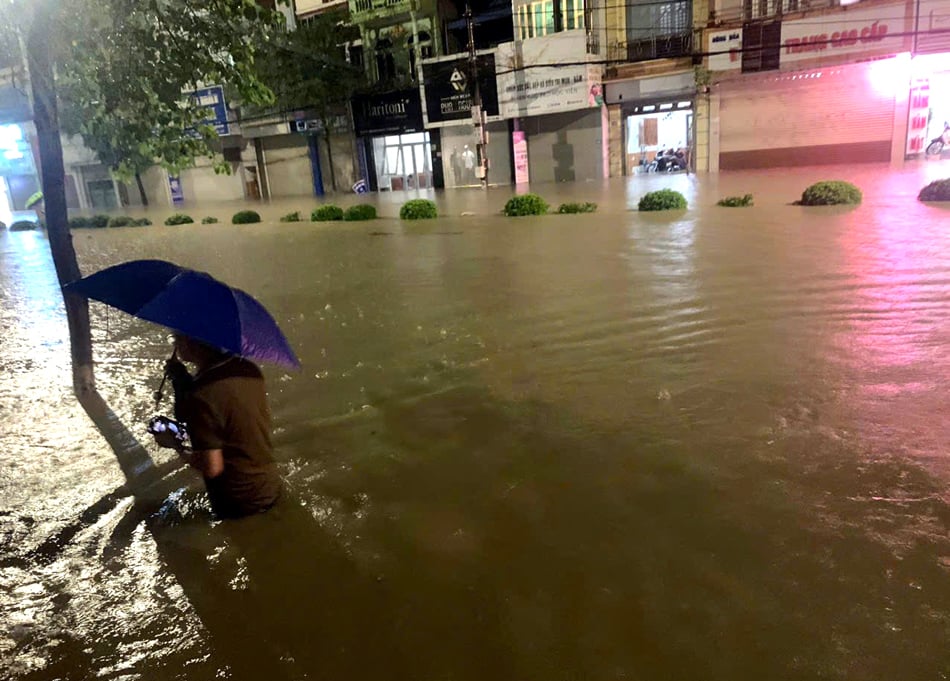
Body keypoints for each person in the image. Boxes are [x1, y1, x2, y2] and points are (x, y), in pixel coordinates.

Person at [153, 333, 282, 518]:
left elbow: (212, 467)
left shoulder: (201, 394)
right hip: (270, 486)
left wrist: (176, 446)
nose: (175, 345)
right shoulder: (248, 369)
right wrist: (181, 380)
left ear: (189, 343)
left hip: (239, 503)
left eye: (176, 339)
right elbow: (224, 410)